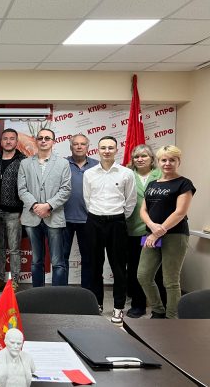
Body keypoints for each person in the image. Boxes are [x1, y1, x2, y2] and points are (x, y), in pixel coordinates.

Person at [137, 145, 195, 319]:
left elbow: (180, 212)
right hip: (151, 235)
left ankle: (172, 318)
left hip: (175, 236)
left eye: (172, 160)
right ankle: (158, 310)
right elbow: (143, 210)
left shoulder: (184, 183)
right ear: (158, 162)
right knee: (143, 275)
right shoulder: (152, 184)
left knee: (170, 281)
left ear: (179, 162)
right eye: (164, 160)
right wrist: (151, 227)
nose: (167, 163)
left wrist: (157, 232)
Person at [83, 135, 136, 325]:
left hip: (117, 223)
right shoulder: (89, 173)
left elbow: (130, 201)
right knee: (94, 266)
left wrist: (116, 217)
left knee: (119, 267)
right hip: (94, 221)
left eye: (110, 148)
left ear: (116, 150)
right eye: (103, 147)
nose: (106, 151)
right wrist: (99, 216)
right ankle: (97, 304)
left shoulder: (126, 173)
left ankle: (118, 308)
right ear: (97, 150)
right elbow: (87, 199)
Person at [17, 128, 71, 287]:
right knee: (36, 260)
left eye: (47, 138)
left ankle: (57, 296)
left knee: (58, 261)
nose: (43, 141)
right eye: (40, 138)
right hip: (31, 217)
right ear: (36, 140)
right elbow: (22, 189)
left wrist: (48, 206)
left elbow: (66, 190)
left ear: (53, 141)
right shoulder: (25, 163)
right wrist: (36, 206)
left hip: (54, 216)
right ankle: (37, 295)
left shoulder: (63, 163)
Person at [124, 144, 162, 318]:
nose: (140, 159)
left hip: (157, 230)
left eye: (144, 156)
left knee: (157, 271)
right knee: (135, 270)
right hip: (133, 229)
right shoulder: (127, 174)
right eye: (136, 156)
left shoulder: (160, 174)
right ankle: (138, 305)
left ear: (151, 158)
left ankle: (159, 307)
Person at [0, 129, 26, 293]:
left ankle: (15, 281)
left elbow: (28, 187)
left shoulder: (23, 161)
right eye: (5, 139)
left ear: (16, 142)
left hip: (14, 213)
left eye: (12, 139)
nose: (8, 141)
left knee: (14, 249)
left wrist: (25, 211)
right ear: (1, 142)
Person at [63, 134, 98, 290]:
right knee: (62, 259)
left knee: (89, 259)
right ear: (71, 146)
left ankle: (86, 294)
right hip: (63, 219)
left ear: (88, 147)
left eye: (82, 144)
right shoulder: (62, 164)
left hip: (88, 220)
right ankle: (61, 292)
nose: (79, 146)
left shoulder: (97, 166)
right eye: (75, 144)